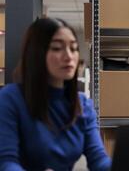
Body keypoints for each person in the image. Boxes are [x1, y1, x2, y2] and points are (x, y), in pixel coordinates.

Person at [0, 18, 111, 171]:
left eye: (73, 48)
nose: (69, 56)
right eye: (57, 48)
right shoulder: (10, 98)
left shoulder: (82, 105)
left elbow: (98, 159)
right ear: (37, 53)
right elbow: (6, 162)